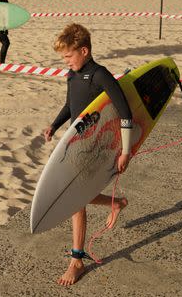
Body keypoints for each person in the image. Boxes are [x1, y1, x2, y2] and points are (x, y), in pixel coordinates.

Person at [42, 23, 133, 287]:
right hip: (76, 143)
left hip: (96, 145)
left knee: (75, 199)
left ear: (84, 51)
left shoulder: (100, 76)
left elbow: (125, 112)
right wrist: (55, 125)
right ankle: (115, 203)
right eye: (63, 59)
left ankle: (77, 260)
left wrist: (125, 151)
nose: (66, 62)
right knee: (76, 195)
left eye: (68, 57)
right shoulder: (73, 75)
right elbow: (70, 105)